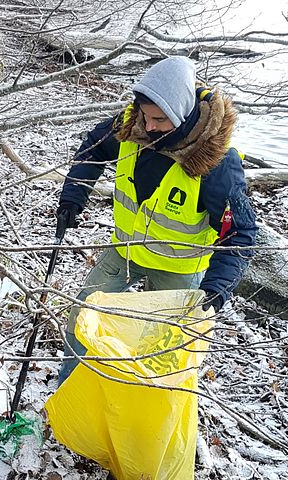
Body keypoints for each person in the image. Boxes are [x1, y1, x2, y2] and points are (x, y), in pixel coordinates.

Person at [56, 56, 257, 384]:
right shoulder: (131, 123)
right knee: (83, 316)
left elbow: (241, 233)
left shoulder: (217, 163)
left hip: (178, 270)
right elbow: (92, 150)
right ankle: (69, 390)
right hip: (125, 251)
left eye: (159, 120)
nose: (148, 127)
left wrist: (216, 289)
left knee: (162, 351)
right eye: (145, 116)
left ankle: (140, 401)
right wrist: (72, 197)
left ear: (180, 114)